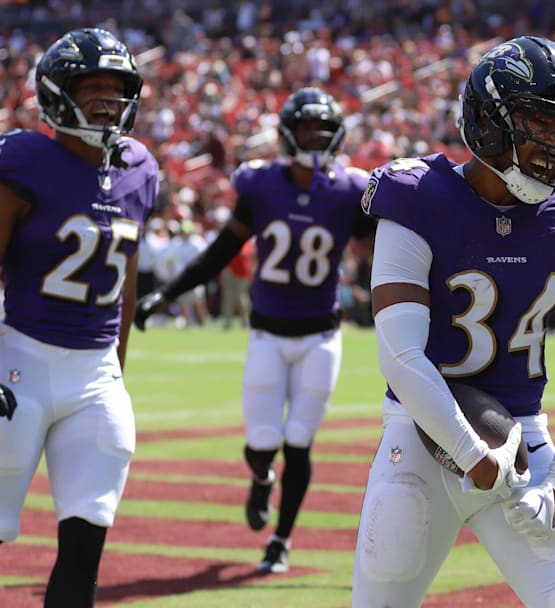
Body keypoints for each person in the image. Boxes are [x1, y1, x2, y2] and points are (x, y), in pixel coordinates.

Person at [352, 36, 555, 608]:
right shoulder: (417, 195)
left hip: (525, 441)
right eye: (537, 125)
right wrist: (474, 458)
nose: (554, 146)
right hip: (420, 435)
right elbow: (400, 356)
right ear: (489, 120)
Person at [134, 87, 375, 574]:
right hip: (267, 331)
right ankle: (261, 475)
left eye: (324, 131)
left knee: (301, 441)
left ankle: (281, 539)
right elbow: (223, 250)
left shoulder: (351, 191)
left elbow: (378, 255)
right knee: (262, 441)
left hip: (320, 335)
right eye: (308, 130)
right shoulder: (262, 185)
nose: (316, 139)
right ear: (287, 135)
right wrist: (169, 291)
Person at [0, 28, 156, 607]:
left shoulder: (141, 167)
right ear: (57, 93)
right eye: (91, 87)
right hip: (21, 360)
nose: (106, 102)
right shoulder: (22, 159)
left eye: (117, 90)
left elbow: (129, 280)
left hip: (96, 377)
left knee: (85, 546)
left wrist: (118, 368)